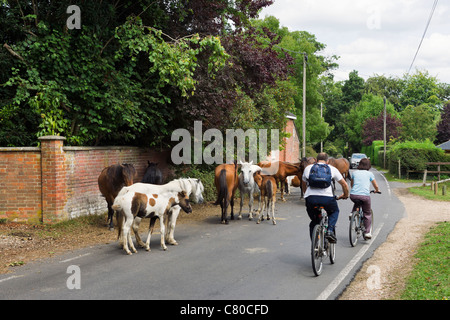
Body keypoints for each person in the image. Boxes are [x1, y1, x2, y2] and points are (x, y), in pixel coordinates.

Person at [302, 153, 349, 243]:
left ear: (316, 160)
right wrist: (345, 195)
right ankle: (330, 231)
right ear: (327, 161)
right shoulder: (332, 169)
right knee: (335, 211)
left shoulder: (308, 168)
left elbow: (303, 183)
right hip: (327, 199)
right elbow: (344, 184)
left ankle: (315, 244)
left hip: (311, 199)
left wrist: (306, 194)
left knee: (314, 221)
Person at [349, 158, 380, 239]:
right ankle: (367, 232)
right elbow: (375, 185)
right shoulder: (370, 174)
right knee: (367, 213)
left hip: (353, 195)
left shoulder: (354, 173)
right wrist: (377, 190)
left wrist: (355, 190)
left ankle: (353, 213)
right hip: (365, 196)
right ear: (368, 165)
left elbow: (352, 184)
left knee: (357, 201)